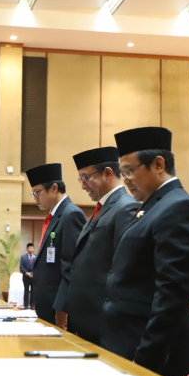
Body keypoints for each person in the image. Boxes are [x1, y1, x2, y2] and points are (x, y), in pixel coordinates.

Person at [101, 127, 189, 376]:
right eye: (122, 173)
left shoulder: (179, 207)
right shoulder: (151, 207)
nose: (125, 179)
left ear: (158, 165)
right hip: (128, 342)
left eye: (129, 170)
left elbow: (172, 295)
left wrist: (147, 359)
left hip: (148, 352)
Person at [61, 146, 138, 345]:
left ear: (108, 173)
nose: (83, 186)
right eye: (80, 179)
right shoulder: (102, 209)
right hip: (88, 319)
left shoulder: (126, 207)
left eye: (86, 178)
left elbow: (124, 270)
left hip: (104, 321)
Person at [25, 163, 85, 327]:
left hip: (58, 309)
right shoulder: (57, 215)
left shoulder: (71, 214)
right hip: (47, 306)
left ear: (54, 188)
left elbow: (71, 267)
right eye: (33, 193)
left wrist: (61, 308)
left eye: (37, 192)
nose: (35, 197)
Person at [20, 243, 36, 310]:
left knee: (33, 291)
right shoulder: (23, 257)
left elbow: (38, 266)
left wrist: (34, 273)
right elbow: (21, 267)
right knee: (26, 291)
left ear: (34, 249)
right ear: (27, 249)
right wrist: (27, 273)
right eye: (29, 248)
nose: (31, 249)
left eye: (32, 248)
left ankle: (33, 305)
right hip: (26, 277)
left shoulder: (36, 257)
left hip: (34, 277)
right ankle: (26, 305)